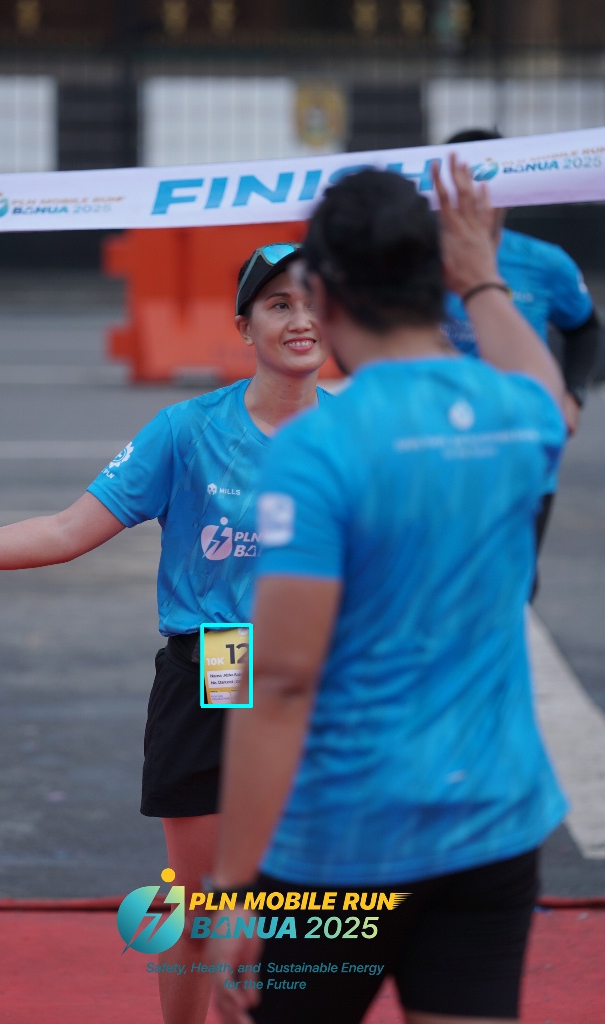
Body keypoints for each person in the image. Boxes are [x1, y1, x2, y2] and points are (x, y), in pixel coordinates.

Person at [0, 241, 331, 1024]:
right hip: (215, 670)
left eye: (314, 302)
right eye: (279, 304)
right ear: (244, 326)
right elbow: (66, 530)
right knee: (202, 898)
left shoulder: (362, 437)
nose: (300, 320)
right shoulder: (186, 430)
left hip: (319, 682)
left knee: (299, 902)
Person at [208, 157, 568, 1024]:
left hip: (341, 844)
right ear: (437, 277)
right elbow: (548, 388)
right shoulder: (519, 416)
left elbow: (281, 682)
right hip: (492, 823)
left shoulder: (318, 449)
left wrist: (234, 887)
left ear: (321, 295)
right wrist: (480, 277)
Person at [443, 128, 602, 574]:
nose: (472, 200)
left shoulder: (544, 262)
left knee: (517, 582)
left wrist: (573, 395)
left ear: (507, 193)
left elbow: (586, 329)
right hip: (438, 446)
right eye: (460, 186)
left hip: (523, 448)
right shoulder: (412, 263)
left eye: (483, 184)